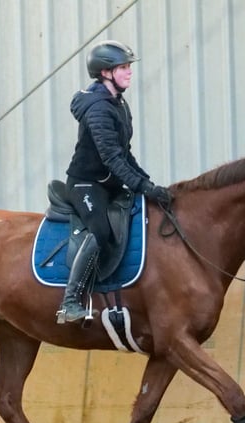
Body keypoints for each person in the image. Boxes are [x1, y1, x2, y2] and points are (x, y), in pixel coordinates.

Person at [56, 40, 172, 324]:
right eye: (123, 67)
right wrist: (142, 186)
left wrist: (148, 184)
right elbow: (111, 158)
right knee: (100, 231)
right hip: (85, 184)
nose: (129, 72)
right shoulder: (98, 108)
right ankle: (70, 302)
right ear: (105, 72)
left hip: (107, 182)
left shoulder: (118, 103)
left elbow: (125, 153)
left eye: (129, 66)